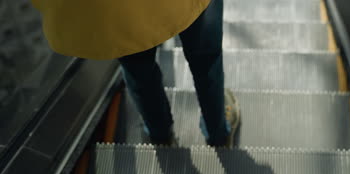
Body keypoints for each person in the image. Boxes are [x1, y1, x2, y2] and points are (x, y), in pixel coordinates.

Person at [32, 0, 240, 147]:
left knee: (139, 73)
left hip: (112, 10)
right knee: (206, 60)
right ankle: (218, 132)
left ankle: (160, 136)